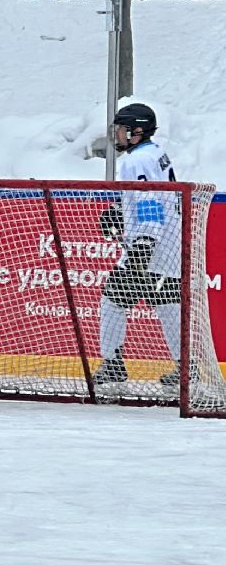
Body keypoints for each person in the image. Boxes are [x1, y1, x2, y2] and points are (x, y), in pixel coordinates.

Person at [92, 103, 186, 390]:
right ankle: (187, 366)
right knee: (168, 303)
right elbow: (149, 194)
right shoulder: (155, 152)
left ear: (137, 131)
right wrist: (119, 210)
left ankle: (113, 364)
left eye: (121, 129)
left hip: (150, 247)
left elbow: (149, 202)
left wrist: (142, 245)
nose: (117, 135)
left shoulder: (135, 161)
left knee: (112, 300)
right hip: (169, 246)